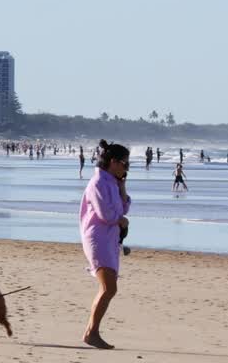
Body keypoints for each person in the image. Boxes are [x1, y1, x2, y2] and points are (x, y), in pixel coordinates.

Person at [79, 140, 131, 350]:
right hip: (98, 238)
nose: (126, 168)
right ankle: (92, 333)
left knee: (108, 288)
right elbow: (107, 214)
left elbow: (124, 207)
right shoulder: (98, 183)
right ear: (113, 162)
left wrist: (122, 186)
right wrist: (120, 221)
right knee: (109, 288)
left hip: (109, 240)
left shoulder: (111, 182)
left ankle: (91, 332)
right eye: (124, 164)